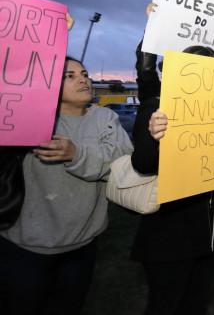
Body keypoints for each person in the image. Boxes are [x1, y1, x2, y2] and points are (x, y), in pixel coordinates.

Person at [0, 56, 132, 315]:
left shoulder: (105, 117)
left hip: (82, 248)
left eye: (84, 73)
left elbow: (122, 162)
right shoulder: (27, 119)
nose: (83, 78)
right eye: (68, 76)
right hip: (24, 251)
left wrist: (76, 154)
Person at [130, 3, 214, 315]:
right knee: (165, 306)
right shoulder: (157, 105)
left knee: (195, 305)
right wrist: (156, 136)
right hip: (170, 238)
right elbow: (143, 163)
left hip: (211, 235)